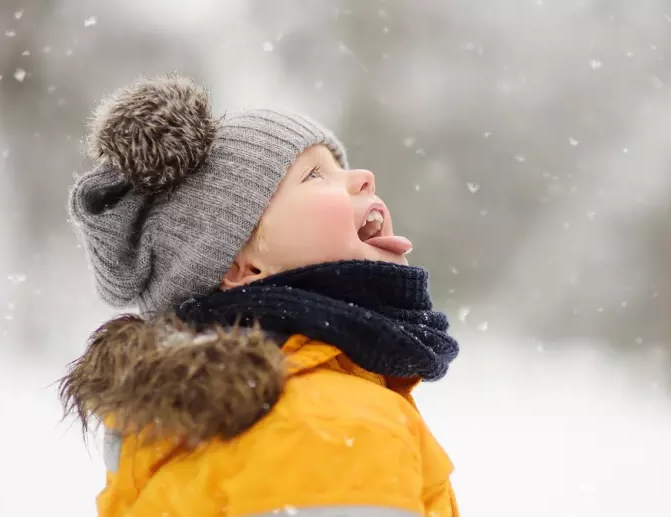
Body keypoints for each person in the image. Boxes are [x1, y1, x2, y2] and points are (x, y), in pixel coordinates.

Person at [59, 74, 460, 516]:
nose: (364, 177)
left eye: (339, 166)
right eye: (314, 175)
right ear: (242, 268)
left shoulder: (222, 422)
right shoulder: (329, 424)